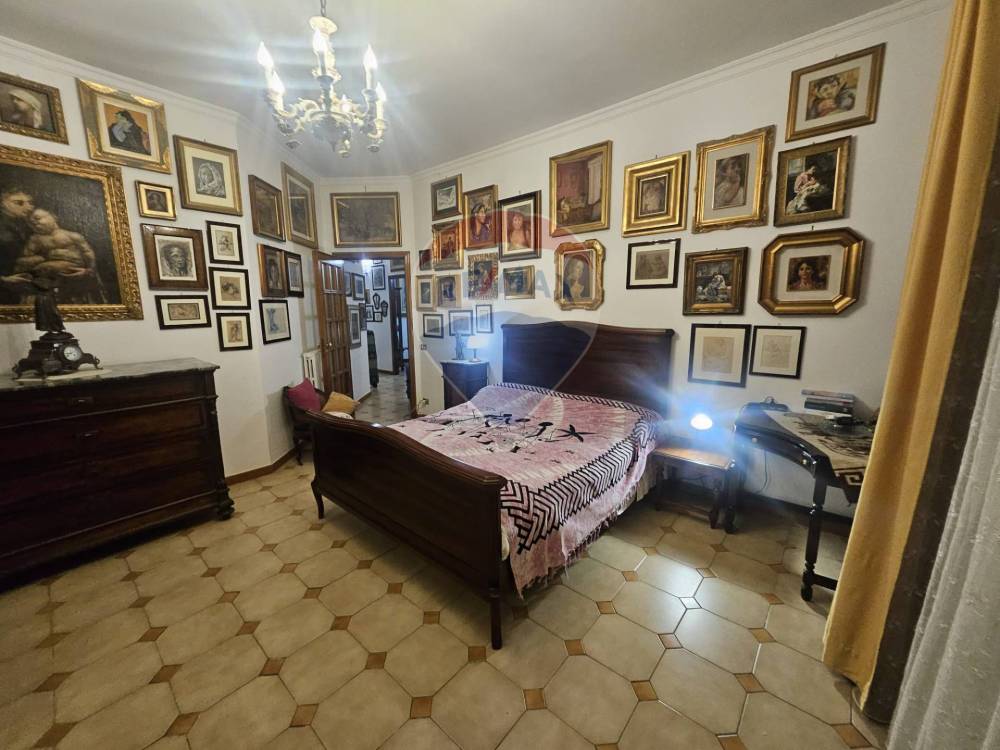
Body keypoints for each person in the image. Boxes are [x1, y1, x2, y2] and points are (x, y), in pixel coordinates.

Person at [0, 188, 34, 303]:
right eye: (19, 203)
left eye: (30, 203)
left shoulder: (27, 225)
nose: (29, 207)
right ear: (2, 203)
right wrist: (3, 280)